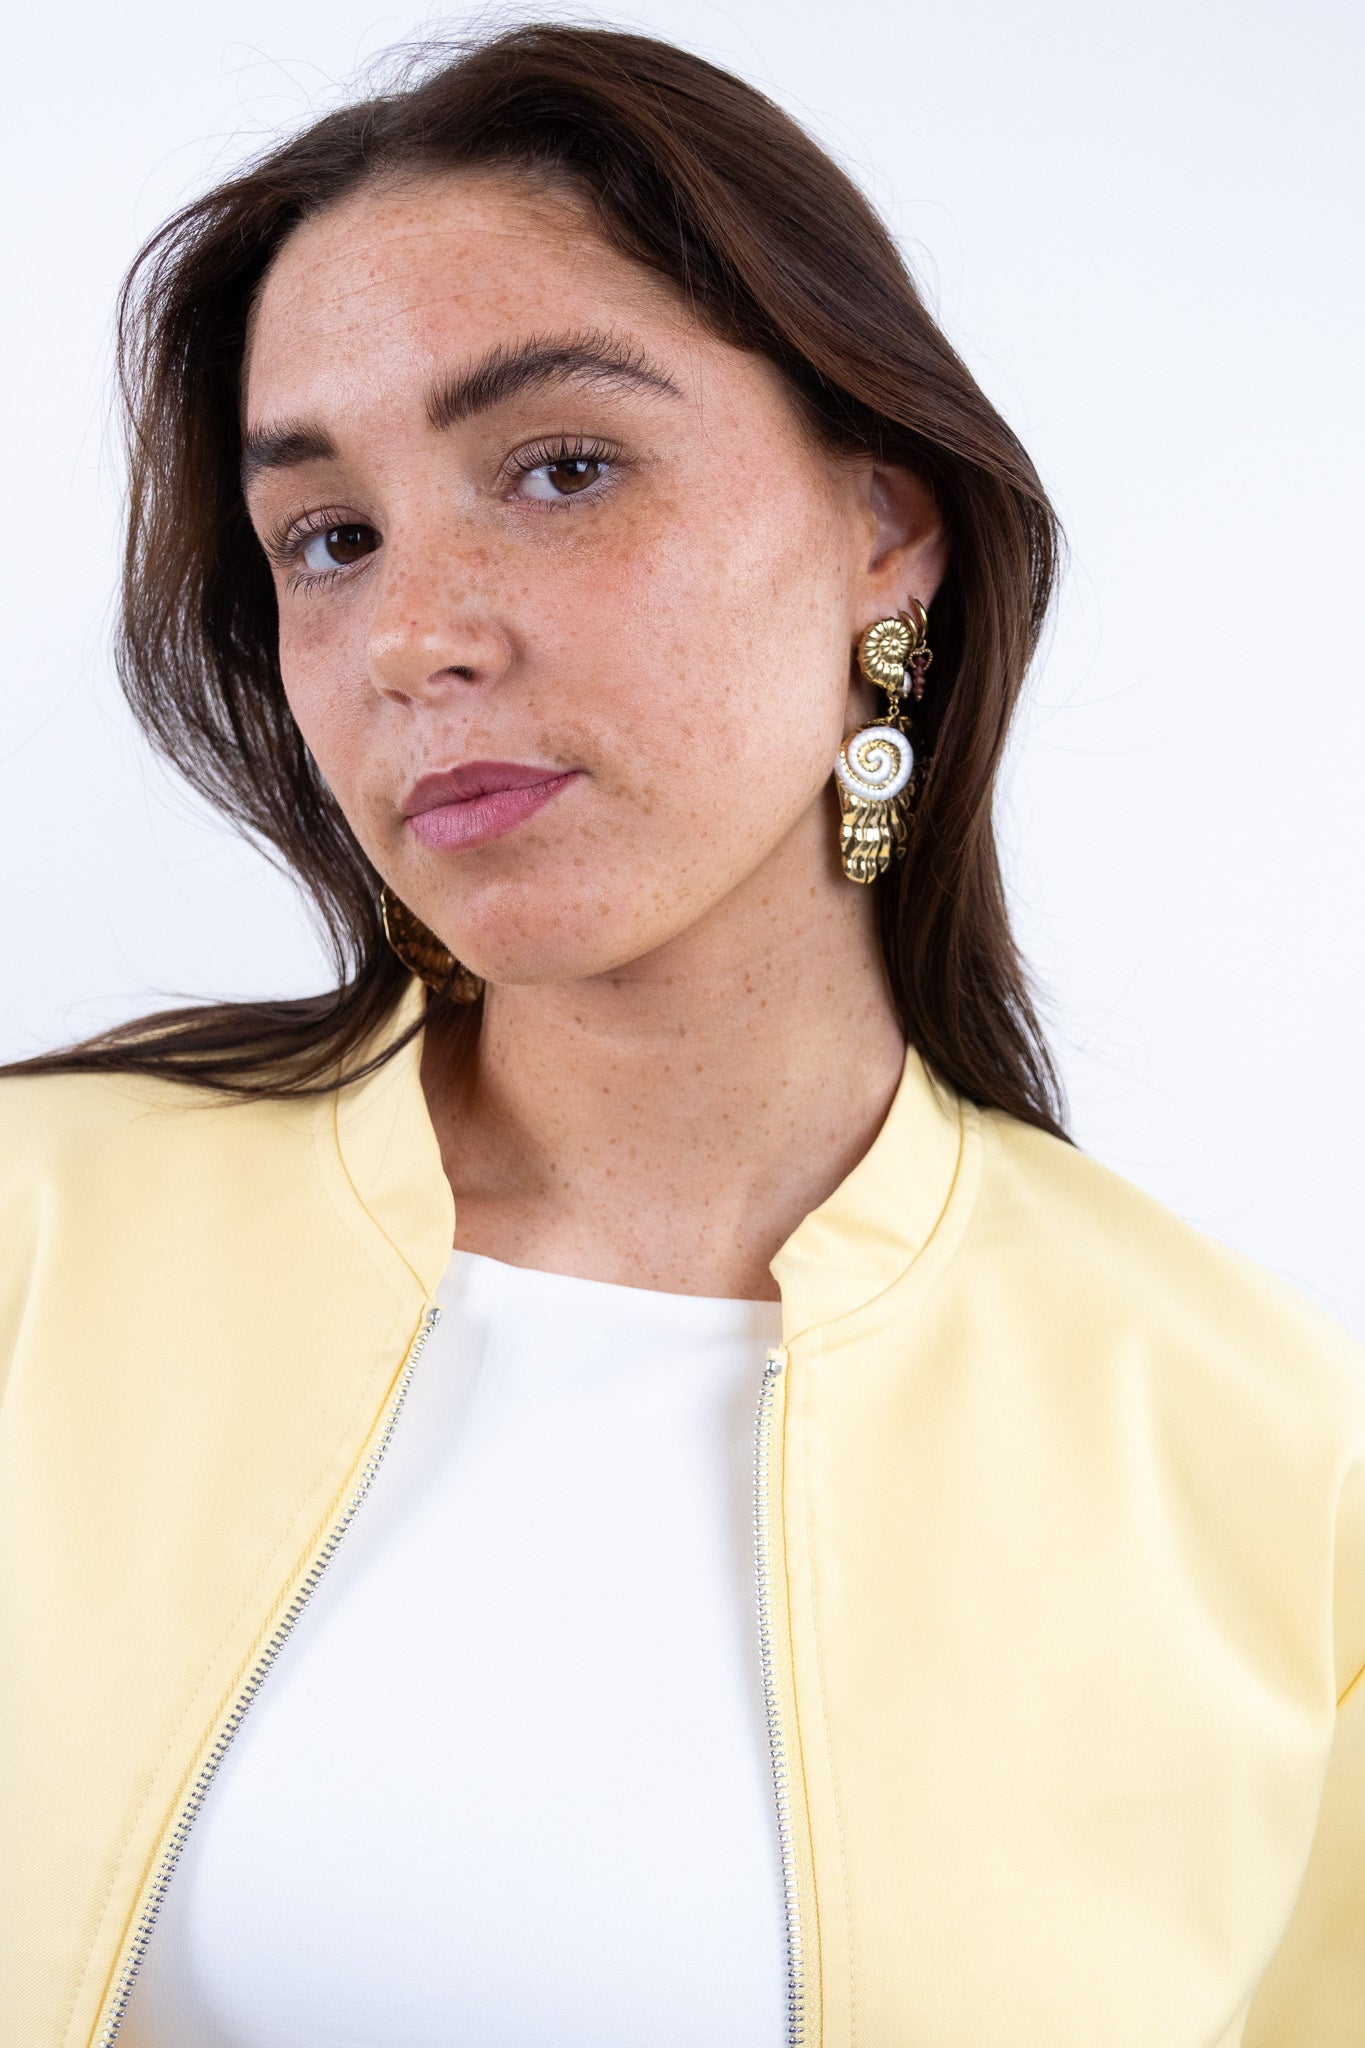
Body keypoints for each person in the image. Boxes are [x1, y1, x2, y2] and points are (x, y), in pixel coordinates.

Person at [1, 25, 1360, 2048]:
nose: (411, 635)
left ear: (882, 530)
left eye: (561, 468)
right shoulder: (36, 1235)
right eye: (329, 537)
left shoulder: (1262, 1459)